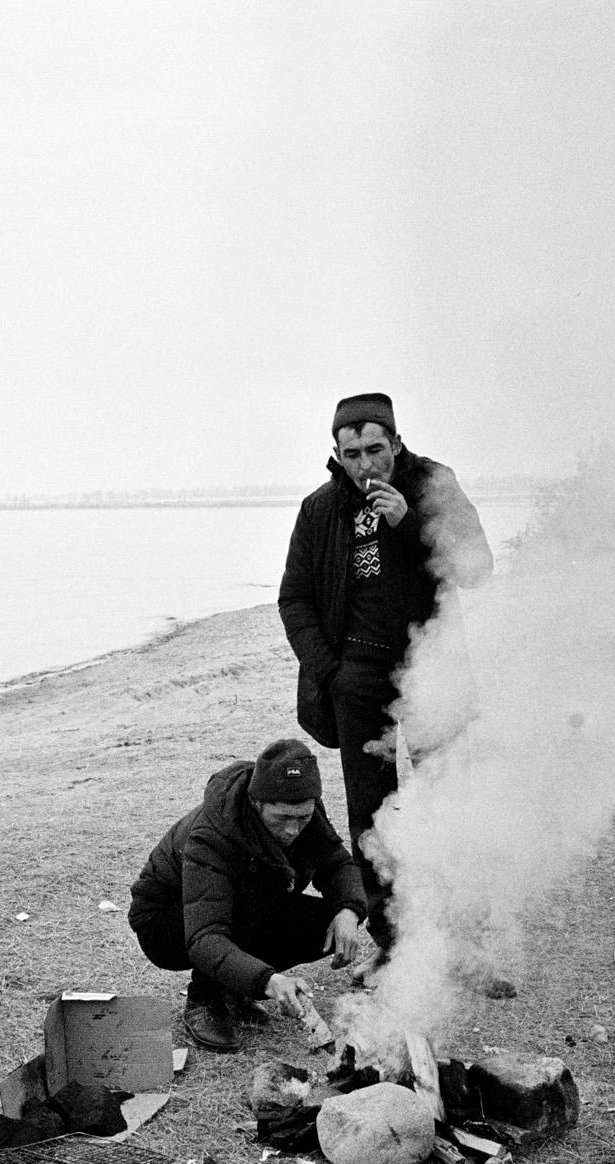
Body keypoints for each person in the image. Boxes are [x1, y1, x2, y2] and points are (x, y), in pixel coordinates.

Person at [277, 392, 494, 970]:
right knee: (371, 818)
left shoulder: (432, 485)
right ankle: (394, 946)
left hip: (434, 670)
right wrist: (331, 672)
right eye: (353, 453)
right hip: (358, 678)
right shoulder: (321, 510)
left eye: (377, 449)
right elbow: (293, 599)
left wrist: (411, 524)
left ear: (397, 444)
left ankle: (461, 939)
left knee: (449, 802)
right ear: (337, 454)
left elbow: (477, 569)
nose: (366, 464)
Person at [128, 739, 368, 1052]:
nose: (293, 830)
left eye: (303, 818)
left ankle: (232, 987)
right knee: (247, 898)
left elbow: (336, 864)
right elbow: (204, 938)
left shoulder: (303, 810)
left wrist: (349, 911)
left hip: (236, 911)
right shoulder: (214, 834)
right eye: (282, 818)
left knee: (327, 921)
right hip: (166, 925)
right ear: (257, 803)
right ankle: (204, 999)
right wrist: (269, 981)